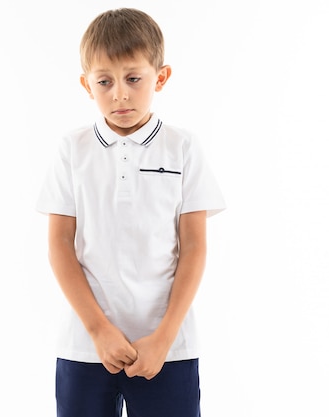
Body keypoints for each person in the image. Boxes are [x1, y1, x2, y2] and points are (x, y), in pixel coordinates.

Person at [36, 8, 226, 417]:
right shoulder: (73, 149)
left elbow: (193, 248)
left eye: (133, 78)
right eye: (104, 81)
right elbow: (59, 247)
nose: (119, 93)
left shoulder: (183, 147)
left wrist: (164, 338)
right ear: (87, 85)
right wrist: (99, 331)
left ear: (160, 77)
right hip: (86, 347)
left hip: (166, 349)